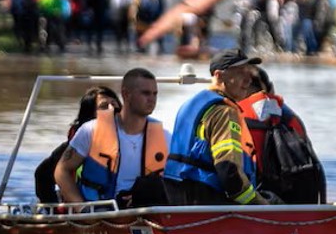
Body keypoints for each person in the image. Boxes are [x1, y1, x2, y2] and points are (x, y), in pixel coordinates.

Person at [163, 48, 273, 206]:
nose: (249, 80)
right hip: (206, 200)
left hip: (177, 195)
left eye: (249, 72)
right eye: (241, 72)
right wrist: (259, 204)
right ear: (219, 76)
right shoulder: (225, 112)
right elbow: (228, 170)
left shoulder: (190, 105)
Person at [53, 69, 169, 209]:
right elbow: (62, 170)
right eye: (145, 93)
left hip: (143, 215)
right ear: (126, 94)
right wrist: (81, 208)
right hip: (99, 215)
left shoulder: (165, 137)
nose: (152, 99)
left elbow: (176, 182)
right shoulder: (91, 130)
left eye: (155, 94)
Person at [236, 67, 327, 203]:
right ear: (271, 88)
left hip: (258, 200)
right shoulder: (291, 117)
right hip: (300, 201)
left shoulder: (235, 115)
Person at [34, 86, 120, 204]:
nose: (112, 109)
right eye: (104, 106)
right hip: (87, 207)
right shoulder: (77, 144)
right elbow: (42, 175)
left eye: (115, 104)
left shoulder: (134, 138)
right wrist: (51, 206)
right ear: (91, 115)